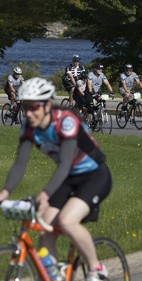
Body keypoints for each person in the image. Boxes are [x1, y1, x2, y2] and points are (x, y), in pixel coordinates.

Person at [0, 77, 111, 281]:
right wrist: (4, 192)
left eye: (34, 107)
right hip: (68, 178)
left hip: (94, 175)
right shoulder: (29, 127)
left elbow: (66, 162)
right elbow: (20, 164)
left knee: (66, 221)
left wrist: (45, 194)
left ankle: (97, 268)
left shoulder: (65, 121)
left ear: (46, 105)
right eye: (25, 107)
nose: (29, 112)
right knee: (45, 227)